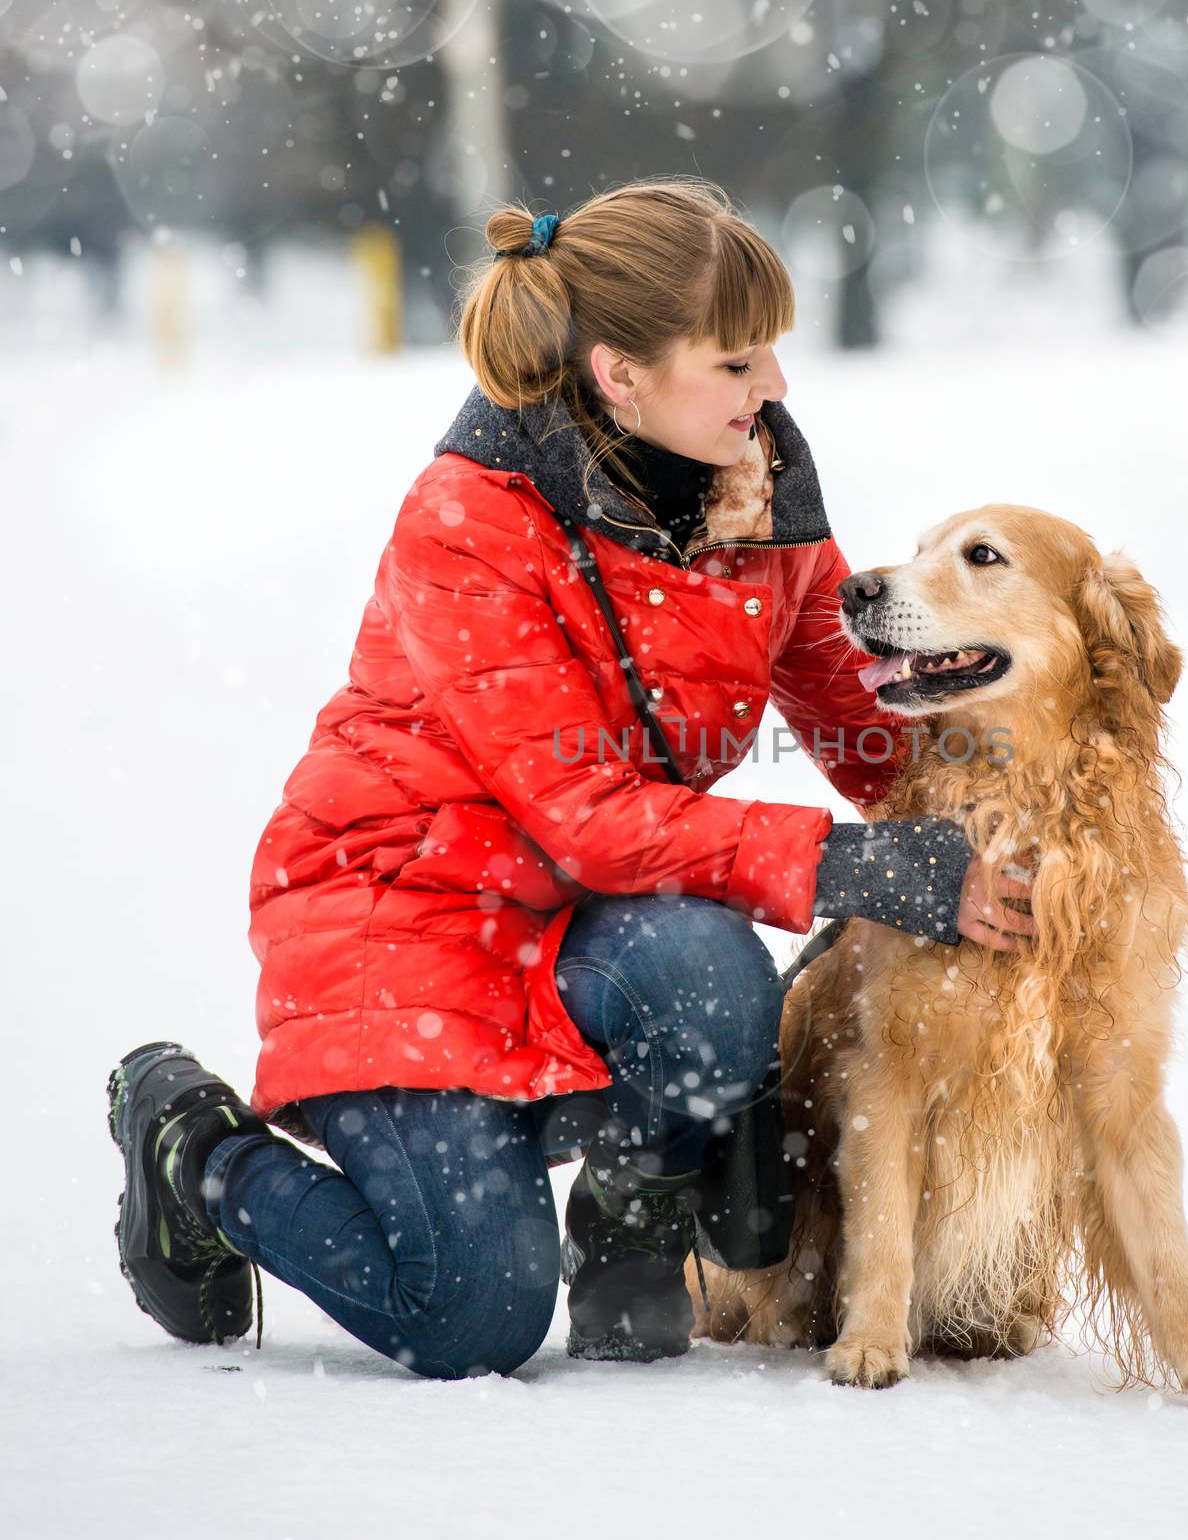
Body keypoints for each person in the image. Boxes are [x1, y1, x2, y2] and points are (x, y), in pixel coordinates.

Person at [107, 178, 1036, 1380]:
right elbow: (589, 818)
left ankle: (633, 1206)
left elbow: (873, 743)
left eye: (773, 357)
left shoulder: (762, 505)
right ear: (619, 374)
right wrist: (865, 868)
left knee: (709, 974)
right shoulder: (471, 519)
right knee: (471, 1317)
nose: (776, 389)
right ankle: (200, 1154)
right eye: (739, 361)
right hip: (406, 925)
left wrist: (1026, 796)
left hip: (581, 929)